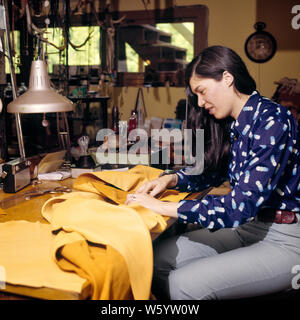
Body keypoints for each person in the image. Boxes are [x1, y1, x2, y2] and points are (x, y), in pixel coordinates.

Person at [125, 45, 300, 300]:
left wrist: (163, 207)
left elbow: (241, 206)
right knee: (153, 259)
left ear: (227, 78)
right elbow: (215, 173)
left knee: (183, 285)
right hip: (248, 227)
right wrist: (172, 178)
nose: (199, 102)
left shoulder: (273, 119)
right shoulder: (235, 123)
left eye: (202, 91)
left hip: (284, 239)